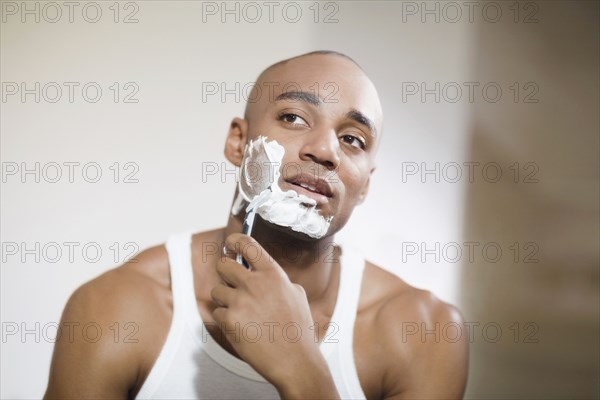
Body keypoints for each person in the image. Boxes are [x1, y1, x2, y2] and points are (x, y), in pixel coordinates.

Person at [44, 51, 469, 399]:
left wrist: (303, 370)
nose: (325, 151)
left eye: (352, 139)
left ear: (365, 186)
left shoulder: (424, 332)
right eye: (293, 118)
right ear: (237, 142)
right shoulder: (116, 308)